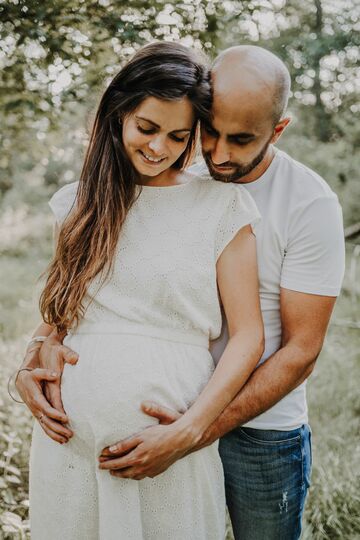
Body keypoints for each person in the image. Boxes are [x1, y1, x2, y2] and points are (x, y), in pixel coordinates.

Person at [16, 45, 345, 539]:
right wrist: (32, 354)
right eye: (209, 132)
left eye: (239, 140)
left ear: (277, 131)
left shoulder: (307, 203)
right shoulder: (168, 167)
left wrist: (192, 430)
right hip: (129, 438)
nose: (217, 153)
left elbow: (300, 351)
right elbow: (97, 290)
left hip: (259, 428)